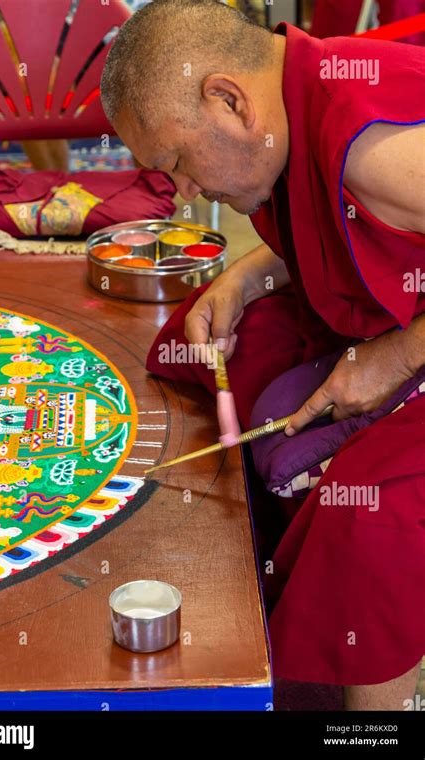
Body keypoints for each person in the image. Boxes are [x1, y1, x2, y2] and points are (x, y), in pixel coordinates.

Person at [100, 0, 425, 710]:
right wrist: (245, 278)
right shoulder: (293, 96)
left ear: (229, 99)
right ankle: (256, 556)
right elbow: (334, 229)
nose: (184, 197)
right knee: (225, 346)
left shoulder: (381, 153)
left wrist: (398, 357)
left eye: (178, 163)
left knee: (367, 518)